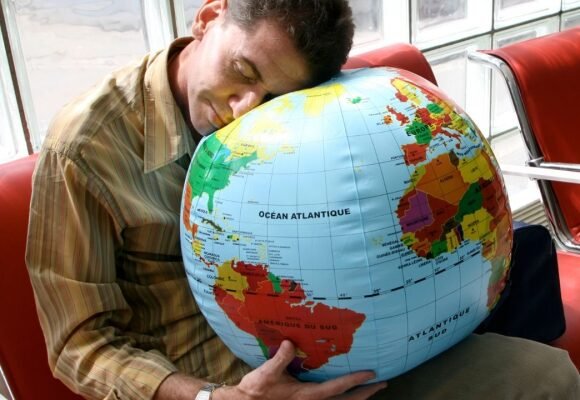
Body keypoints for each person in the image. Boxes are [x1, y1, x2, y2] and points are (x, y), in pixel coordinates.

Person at [25, 0, 580, 399]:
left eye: (273, 95)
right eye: (242, 71)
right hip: (221, 384)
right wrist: (210, 397)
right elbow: (78, 345)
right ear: (208, 16)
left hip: (358, 349)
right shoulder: (87, 146)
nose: (244, 110)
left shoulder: (305, 110)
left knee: (547, 377)